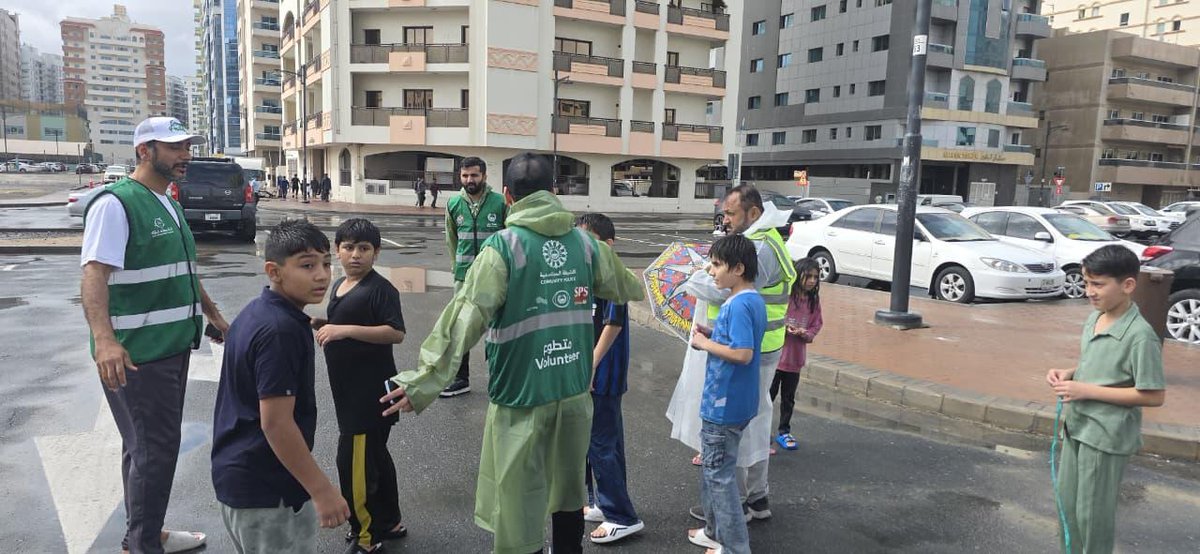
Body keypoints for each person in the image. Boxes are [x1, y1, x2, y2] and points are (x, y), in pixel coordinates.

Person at [380, 153, 644, 554]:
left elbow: (462, 320)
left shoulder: (502, 249)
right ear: (555, 193)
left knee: (520, 502)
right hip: (572, 394)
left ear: (507, 196)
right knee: (570, 491)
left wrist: (422, 381)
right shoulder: (587, 246)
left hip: (521, 397)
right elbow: (627, 288)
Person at [80, 116, 225, 554]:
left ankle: (145, 532)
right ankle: (144, 544)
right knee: (154, 450)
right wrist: (104, 340)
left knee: (145, 447)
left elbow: (183, 270)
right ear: (145, 151)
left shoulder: (168, 201)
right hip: (137, 354)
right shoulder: (116, 204)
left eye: (187, 146)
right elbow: (94, 275)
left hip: (171, 347)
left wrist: (213, 314)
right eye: (175, 147)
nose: (186, 155)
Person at [211, 219, 351, 554]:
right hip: (267, 490)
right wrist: (322, 490)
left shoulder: (260, 312)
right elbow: (275, 422)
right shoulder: (280, 331)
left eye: (325, 264)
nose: (321, 275)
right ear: (274, 271)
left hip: (241, 477)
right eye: (307, 265)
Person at [677, 184, 796, 522]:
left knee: (741, 426)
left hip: (748, 350)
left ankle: (736, 505)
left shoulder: (759, 248)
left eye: (731, 213)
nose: (725, 219)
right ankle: (757, 499)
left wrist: (693, 276)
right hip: (762, 344)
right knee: (756, 421)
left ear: (753, 213)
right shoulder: (768, 237)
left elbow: (725, 289)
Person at [1046, 244, 1165, 554]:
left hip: (1105, 437)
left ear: (1127, 286)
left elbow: (1153, 395)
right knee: (1068, 507)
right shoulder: (1095, 319)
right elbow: (1099, 366)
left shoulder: (1140, 336)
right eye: (1086, 283)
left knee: (1092, 515)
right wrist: (1070, 373)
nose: (1090, 291)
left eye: (1098, 284)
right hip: (1077, 428)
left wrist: (1086, 391)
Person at [312, 218, 409, 554]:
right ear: (337, 250)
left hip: (367, 396)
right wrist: (323, 324)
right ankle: (391, 521)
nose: (356, 255)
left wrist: (344, 330)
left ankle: (365, 536)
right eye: (348, 247)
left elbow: (395, 332)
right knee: (375, 458)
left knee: (352, 464)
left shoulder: (380, 289)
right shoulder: (341, 284)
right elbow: (342, 324)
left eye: (364, 249)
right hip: (348, 392)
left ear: (376, 253)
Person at [685, 234, 766, 554]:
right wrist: (712, 333)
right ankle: (713, 531)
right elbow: (736, 341)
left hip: (724, 404)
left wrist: (705, 344)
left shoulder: (739, 304)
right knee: (713, 469)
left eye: (717, 265)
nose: (711, 271)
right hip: (736, 402)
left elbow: (743, 353)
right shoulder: (750, 299)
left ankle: (733, 546)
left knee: (719, 478)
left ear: (739, 268)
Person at [576, 213, 644, 544]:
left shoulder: (614, 277)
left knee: (602, 444)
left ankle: (622, 515)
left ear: (608, 245)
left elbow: (612, 325)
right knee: (599, 444)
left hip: (604, 374)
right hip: (591, 372)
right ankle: (603, 502)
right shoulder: (588, 274)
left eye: (588, 241)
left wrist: (590, 365)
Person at [439, 157, 507, 398]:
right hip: (464, 278)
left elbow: (508, 238)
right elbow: (452, 239)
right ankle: (460, 378)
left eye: (474, 175)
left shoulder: (500, 202)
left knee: (498, 325)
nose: (470, 180)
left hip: (494, 277)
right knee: (461, 327)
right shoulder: (454, 203)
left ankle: (500, 378)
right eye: (466, 175)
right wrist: (457, 268)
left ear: (484, 176)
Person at [773, 258, 822, 451]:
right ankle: (760, 433)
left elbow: (816, 323)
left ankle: (784, 431)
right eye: (808, 276)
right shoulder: (786, 296)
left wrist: (806, 334)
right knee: (768, 397)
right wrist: (783, 327)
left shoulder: (813, 301)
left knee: (788, 398)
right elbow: (775, 316)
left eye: (815, 277)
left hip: (795, 359)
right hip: (777, 358)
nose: (812, 281)